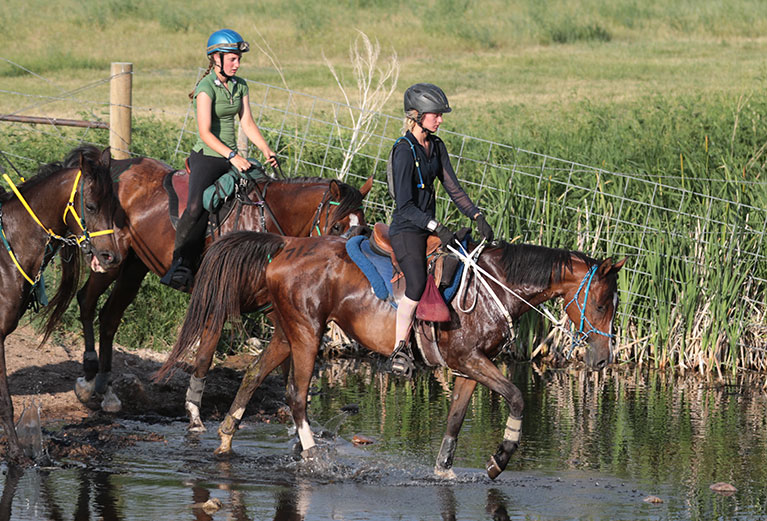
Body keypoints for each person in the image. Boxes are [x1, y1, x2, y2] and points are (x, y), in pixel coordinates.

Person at [161, 29, 279, 291]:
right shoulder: (205, 89)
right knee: (195, 206)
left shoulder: (240, 86)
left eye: (239, 59)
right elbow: (204, 132)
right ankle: (180, 263)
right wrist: (234, 156)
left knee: (262, 189)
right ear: (216, 58)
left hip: (232, 156)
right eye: (233, 59)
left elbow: (246, 122)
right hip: (209, 156)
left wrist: (266, 149)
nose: (237, 64)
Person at [388, 82, 494, 375]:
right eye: (435, 114)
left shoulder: (436, 146)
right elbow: (405, 205)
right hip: (407, 229)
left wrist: (477, 215)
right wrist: (437, 225)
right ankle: (399, 349)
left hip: (428, 227)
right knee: (418, 283)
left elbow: (453, 188)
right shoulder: (403, 151)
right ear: (417, 114)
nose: (440, 119)